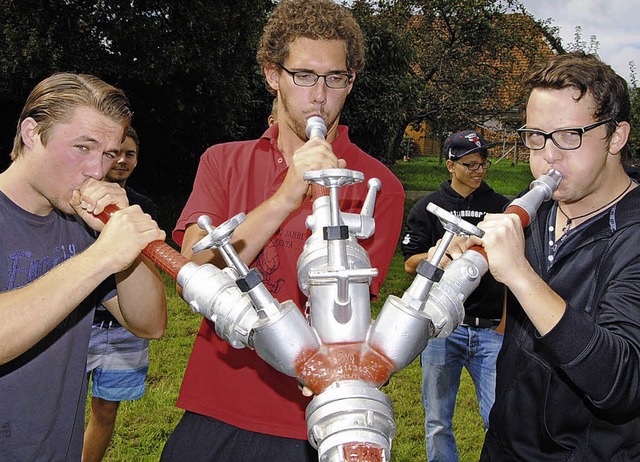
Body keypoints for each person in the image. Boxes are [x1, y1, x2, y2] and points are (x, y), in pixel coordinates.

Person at [161, 0, 406, 460]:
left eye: (335, 78)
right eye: (305, 76)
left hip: (309, 422)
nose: (319, 95)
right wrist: (285, 196)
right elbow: (194, 268)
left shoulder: (378, 187)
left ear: (349, 82)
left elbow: (346, 323)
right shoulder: (223, 160)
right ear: (273, 74)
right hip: (215, 406)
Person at [441, 52, 639, 460]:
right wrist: (466, 260)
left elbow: (620, 384)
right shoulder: (535, 213)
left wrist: (519, 274)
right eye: (536, 136)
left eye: (570, 135)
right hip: (503, 447)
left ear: (616, 136)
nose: (548, 156)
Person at [0, 73, 167, 461]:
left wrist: (123, 239)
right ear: (31, 132)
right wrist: (100, 257)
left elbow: (150, 323)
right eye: (82, 147)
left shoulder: (82, 226)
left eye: (109, 153)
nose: (97, 169)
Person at [402, 130, 508, 462]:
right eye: (471, 164)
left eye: (483, 163)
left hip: (490, 330)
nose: (479, 170)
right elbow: (409, 263)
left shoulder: (500, 207)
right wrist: (435, 255)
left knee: (499, 419)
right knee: (437, 421)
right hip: (442, 329)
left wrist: (504, 324)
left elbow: (514, 268)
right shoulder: (427, 208)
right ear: (451, 165)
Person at [83, 127, 160, 462]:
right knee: (62, 407)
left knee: (106, 411)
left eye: (130, 154)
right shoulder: (77, 203)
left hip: (125, 329)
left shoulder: (143, 207)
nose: (122, 160)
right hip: (80, 324)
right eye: (115, 153)